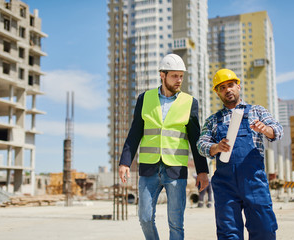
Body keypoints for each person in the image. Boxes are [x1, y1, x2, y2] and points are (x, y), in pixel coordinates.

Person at [119, 53, 209, 240]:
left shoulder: (190, 102)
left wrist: (202, 171)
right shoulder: (145, 99)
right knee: (144, 218)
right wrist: (125, 162)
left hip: (175, 169)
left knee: (176, 223)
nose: (179, 80)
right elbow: (135, 132)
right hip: (148, 168)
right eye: (174, 76)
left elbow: (195, 139)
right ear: (162, 75)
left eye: (181, 76)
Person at [197, 69, 283, 240]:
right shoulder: (213, 120)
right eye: (222, 87)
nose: (227, 90)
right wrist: (216, 147)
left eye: (230, 85)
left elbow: (278, 130)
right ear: (217, 92)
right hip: (225, 185)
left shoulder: (257, 112)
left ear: (238, 86)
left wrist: (265, 129)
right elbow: (201, 144)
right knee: (229, 234)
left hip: (254, 181)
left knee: (264, 230)